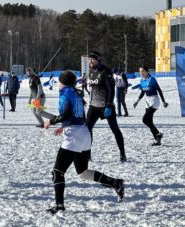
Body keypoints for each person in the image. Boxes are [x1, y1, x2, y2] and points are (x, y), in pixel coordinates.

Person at [43, 71, 124, 214]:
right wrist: (63, 126)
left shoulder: (65, 94)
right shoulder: (75, 93)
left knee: (57, 172)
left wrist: (51, 121)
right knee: (83, 173)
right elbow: (76, 115)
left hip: (74, 136)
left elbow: (67, 114)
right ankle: (114, 183)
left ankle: (59, 206)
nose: (58, 85)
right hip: (84, 133)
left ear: (63, 82)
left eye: (59, 82)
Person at [85, 52, 127, 162]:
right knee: (87, 129)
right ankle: (88, 154)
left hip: (105, 106)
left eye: (92, 59)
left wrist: (109, 105)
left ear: (98, 60)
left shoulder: (105, 71)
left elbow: (111, 89)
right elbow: (92, 89)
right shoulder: (92, 72)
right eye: (89, 60)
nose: (90, 61)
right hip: (94, 106)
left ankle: (122, 154)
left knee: (115, 130)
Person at [133, 65, 168, 146]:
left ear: (147, 72)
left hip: (154, 100)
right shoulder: (142, 80)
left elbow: (159, 90)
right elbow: (143, 92)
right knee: (150, 122)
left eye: (143, 71)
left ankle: (158, 134)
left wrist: (163, 101)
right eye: (140, 71)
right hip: (147, 100)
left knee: (145, 120)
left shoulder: (152, 79)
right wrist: (137, 101)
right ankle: (157, 140)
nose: (141, 73)